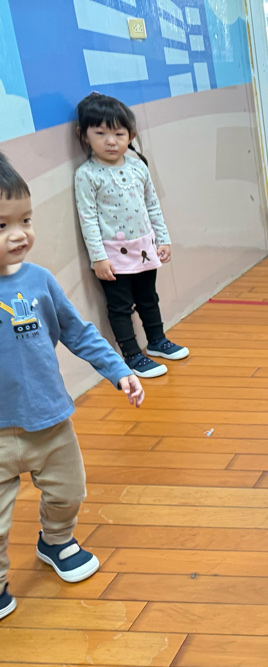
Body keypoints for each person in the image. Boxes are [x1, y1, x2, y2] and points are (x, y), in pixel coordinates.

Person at [0, 153, 144, 621]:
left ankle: (56, 541)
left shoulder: (39, 282)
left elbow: (77, 332)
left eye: (25, 220)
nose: (19, 234)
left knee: (68, 491)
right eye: (2, 225)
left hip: (49, 421)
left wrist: (118, 369)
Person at [74, 92, 189, 379]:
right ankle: (132, 355)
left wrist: (163, 239)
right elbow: (88, 219)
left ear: (131, 136)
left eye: (118, 134)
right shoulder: (87, 174)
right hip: (112, 255)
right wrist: (98, 258)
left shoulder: (138, 166)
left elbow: (152, 205)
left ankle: (157, 341)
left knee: (149, 298)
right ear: (84, 135)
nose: (111, 141)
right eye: (100, 133)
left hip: (145, 248)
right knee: (120, 307)